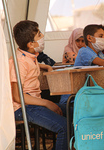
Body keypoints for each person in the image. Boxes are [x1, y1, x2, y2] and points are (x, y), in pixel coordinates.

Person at [9, 20, 68, 150]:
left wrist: (45, 66)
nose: (42, 37)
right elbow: (17, 96)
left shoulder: (29, 56)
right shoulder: (19, 62)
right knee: (64, 127)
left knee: (72, 109)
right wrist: (47, 103)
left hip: (33, 104)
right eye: (39, 35)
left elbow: (29, 66)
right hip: (22, 108)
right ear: (31, 44)